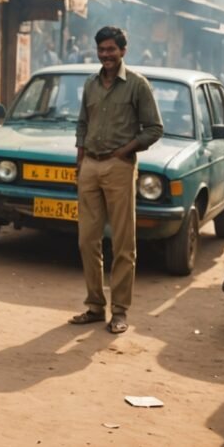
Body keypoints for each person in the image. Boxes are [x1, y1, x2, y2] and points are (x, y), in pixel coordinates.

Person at [70, 26, 163, 334]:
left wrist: (125, 151)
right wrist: (80, 157)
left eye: (111, 49)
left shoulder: (138, 85)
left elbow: (154, 128)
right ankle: (95, 306)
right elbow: (83, 123)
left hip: (119, 167)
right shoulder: (90, 84)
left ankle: (120, 311)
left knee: (123, 242)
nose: (106, 55)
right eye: (101, 49)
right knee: (87, 240)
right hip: (90, 167)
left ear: (123, 50)